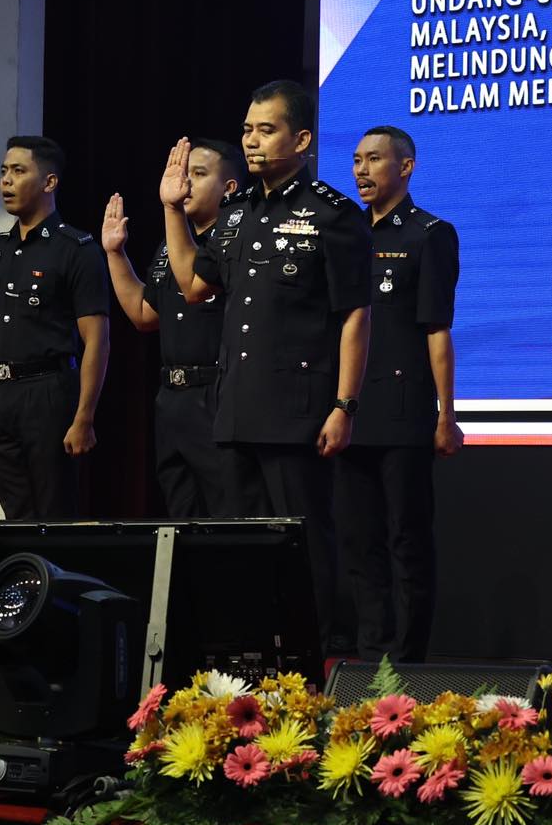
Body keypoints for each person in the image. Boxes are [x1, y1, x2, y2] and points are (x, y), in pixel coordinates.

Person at [158, 79, 371, 645]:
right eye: (248, 130)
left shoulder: (333, 214)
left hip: (297, 413)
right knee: (242, 547)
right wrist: (172, 209)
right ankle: (251, 659)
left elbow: (355, 316)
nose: (252, 141)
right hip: (233, 410)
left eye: (267, 130)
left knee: (306, 544)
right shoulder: (234, 214)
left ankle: (317, 661)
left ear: (301, 140)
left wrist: (344, 406)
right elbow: (192, 286)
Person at [340, 125, 463, 662]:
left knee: (406, 539)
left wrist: (445, 414)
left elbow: (437, 329)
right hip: (351, 410)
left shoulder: (429, 234)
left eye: (373, 159)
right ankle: (372, 654)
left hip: (404, 409)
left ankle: (408, 660)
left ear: (405, 166)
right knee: (359, 540)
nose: (361, 170)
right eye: (356, 160)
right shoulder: (347, 234)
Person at [0, 136, 110, 520]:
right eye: (4, 171)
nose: (6, 180)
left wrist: (84, 416)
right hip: (0, 395)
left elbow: (97, 341)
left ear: (49, 182)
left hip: (48, 392)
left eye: (18, 171)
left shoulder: (75, 249)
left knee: (53, 512)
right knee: (15, 512)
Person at [99, 139, 246, 518]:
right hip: (172, 399)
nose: (186, 182)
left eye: (199, 174)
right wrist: (115, 254)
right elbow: (143, 314)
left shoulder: (237, 241)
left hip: (217, 394)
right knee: (181, 514)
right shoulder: (172, 246)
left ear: (229, 188)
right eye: (184, 173)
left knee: (226, 513)